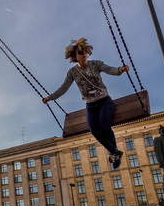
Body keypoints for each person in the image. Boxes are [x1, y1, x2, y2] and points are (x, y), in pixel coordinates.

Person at [42, 37, 130, 168]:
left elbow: (109, 69)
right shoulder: (73, 72)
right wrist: (50, 97)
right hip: (91, 105)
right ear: (74, 56)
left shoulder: (96, 64)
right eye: (80, 53)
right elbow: (64, 87)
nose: (84, 55)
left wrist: (120, 70)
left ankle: (113, 152)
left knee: (104, 126)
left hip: (104, 101)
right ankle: (115, 151)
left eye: (85, 53)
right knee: (94, 129)